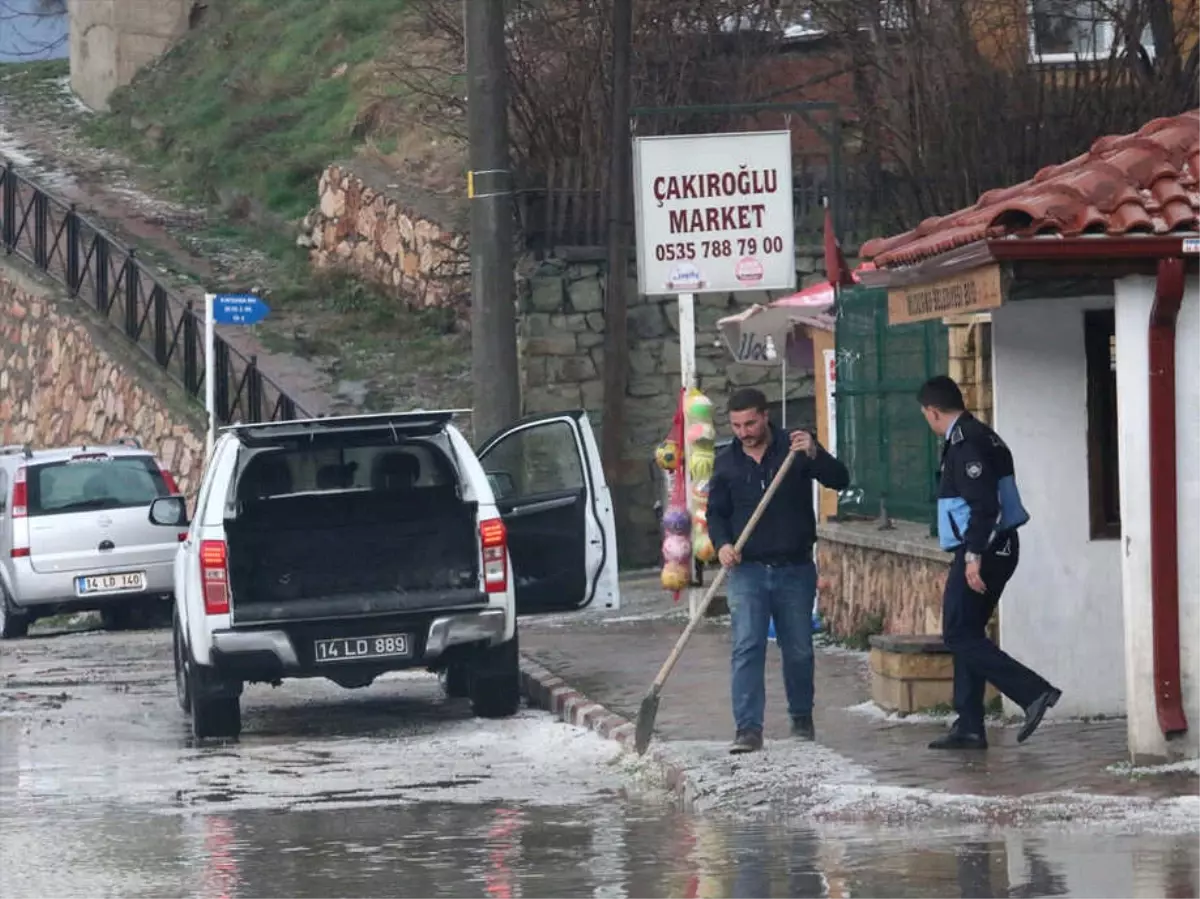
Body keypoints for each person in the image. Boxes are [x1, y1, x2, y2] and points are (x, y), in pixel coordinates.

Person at [918, 375, 1062, 750]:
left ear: (933, 411)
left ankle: (1033, 692)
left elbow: (984, 507)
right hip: (990, 547)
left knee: (958, 634)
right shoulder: (981, 435)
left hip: (985, 548)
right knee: (968, 633)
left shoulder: (966, 443)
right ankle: (968, 725)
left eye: (926, 416)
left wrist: (972, 556)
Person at [707, 387, 850, 754]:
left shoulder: (795, 448)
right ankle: (748, 729)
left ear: (766, 415)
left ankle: (801, 718)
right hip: (748, 571)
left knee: (799, 649)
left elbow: (840, 479)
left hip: (794, 568)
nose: (744, 431)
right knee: (747, 647)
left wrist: (815, 454)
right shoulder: (725, 463)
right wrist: (723, 544)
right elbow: (716, 514)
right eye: (737, 425)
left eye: (750, 423)